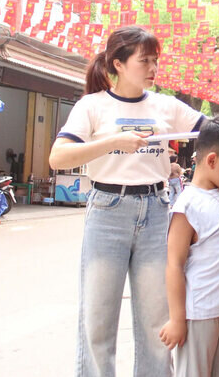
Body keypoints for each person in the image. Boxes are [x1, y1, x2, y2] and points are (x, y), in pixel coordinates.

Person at [48, 26, 205, 377]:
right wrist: (112, 142)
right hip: (107, 211)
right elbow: (58, 157)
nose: (152, 68)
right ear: (118, 64)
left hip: (155, 210)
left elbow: (211, 130)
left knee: (156, 322)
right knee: (98, 321)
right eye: (144, 60)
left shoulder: (164, 105)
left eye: (155, 61)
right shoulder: (92, 106)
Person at [159, 115, 219, 377]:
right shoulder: (187, 206)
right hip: (200, 313)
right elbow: (174, 265)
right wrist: (178, 319)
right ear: (212, 160)